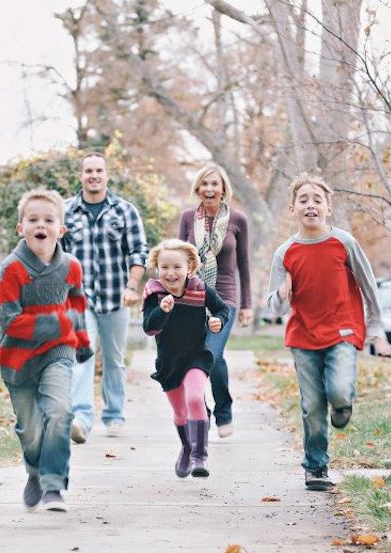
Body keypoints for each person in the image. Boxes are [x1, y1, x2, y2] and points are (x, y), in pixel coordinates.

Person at [265, 174, 391, 492]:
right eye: (303, 200)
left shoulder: (344, 242)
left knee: (337, 391)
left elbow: (369, 285)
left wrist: (377, 328)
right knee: (312, 405)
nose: (311, 205)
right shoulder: (285, 252)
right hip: (303, 336)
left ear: (328, 207)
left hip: (342, 329)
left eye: (317, 200)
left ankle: (343, 402)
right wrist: (282, 293)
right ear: (292, 209)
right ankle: (316, 467)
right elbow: (274, 308)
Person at [0, 188, 93, 513]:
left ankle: (54, 484)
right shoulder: (11, 269)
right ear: (20, 228)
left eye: (49, 220)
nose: (41, 225)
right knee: (31, 431)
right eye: (33, 219)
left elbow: (77, 302)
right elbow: (10, 321)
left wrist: (81, 339)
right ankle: (35, 472)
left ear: (60, 229)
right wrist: (58, 322)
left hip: (58, 351)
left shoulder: (71, 267)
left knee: (60, 412)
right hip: (18, 359)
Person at [62, 152, 149, 443]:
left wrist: (132, 286)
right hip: (79, 299)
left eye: (99, 170)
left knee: (114, 360)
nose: (94, 175)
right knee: (82, 357)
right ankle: (81, 419)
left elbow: (138, 251)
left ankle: (113, 416)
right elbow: (56, 255)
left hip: (116, 298)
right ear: (81, 176)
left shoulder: (125, 211)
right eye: (88, 171)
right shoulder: (66, 211)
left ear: (106, 175)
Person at [142, 239, 232, 478]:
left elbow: (222, 309)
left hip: (196, 356)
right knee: (181, 413)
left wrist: (218, 321)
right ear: (157, 269)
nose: (170, 273)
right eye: (164, 267)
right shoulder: (154, 293)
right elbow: (149, 328)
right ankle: (187, 447)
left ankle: (199, 456)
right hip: (169, 363)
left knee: (194, 399)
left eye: (177, 267)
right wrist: (162, 310)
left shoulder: (200, 289)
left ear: (189, 268)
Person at [176, 163, 252, 438]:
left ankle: (224, 411)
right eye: (205, 184)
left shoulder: (238, 220)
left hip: (224, 299)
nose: (209, 189)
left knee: (212, 352)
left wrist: (246, 305)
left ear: (223, 189)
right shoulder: (187, 218)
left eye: (214, 184)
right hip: (193, 297)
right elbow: (178, 260)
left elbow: (243, 264)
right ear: (198, 188)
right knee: (195, 355)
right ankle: (201, 412)